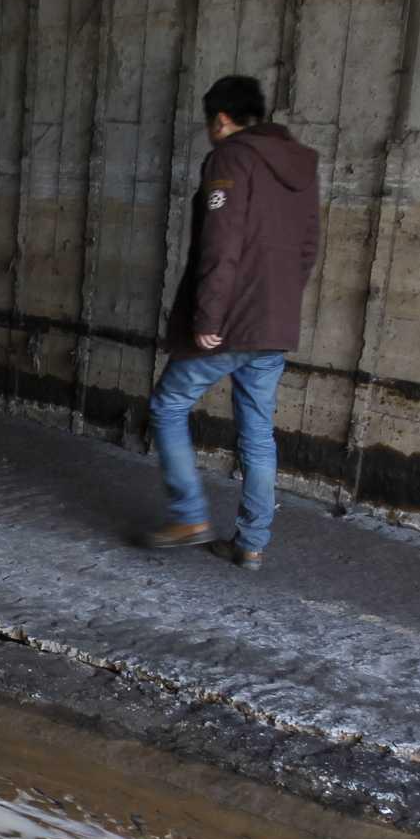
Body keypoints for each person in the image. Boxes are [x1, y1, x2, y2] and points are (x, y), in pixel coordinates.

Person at [138, 75, 321, 569]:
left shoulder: (230, 158)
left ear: (221, 119)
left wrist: (209, 316)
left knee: (167, 405)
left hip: (231, 320)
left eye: (209, 122)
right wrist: (277, 305)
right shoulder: (302, 165)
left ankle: (189, 517)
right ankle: (251, 542)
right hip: (273, 323)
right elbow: (308, 248)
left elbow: (221, 245)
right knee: (257, 433)